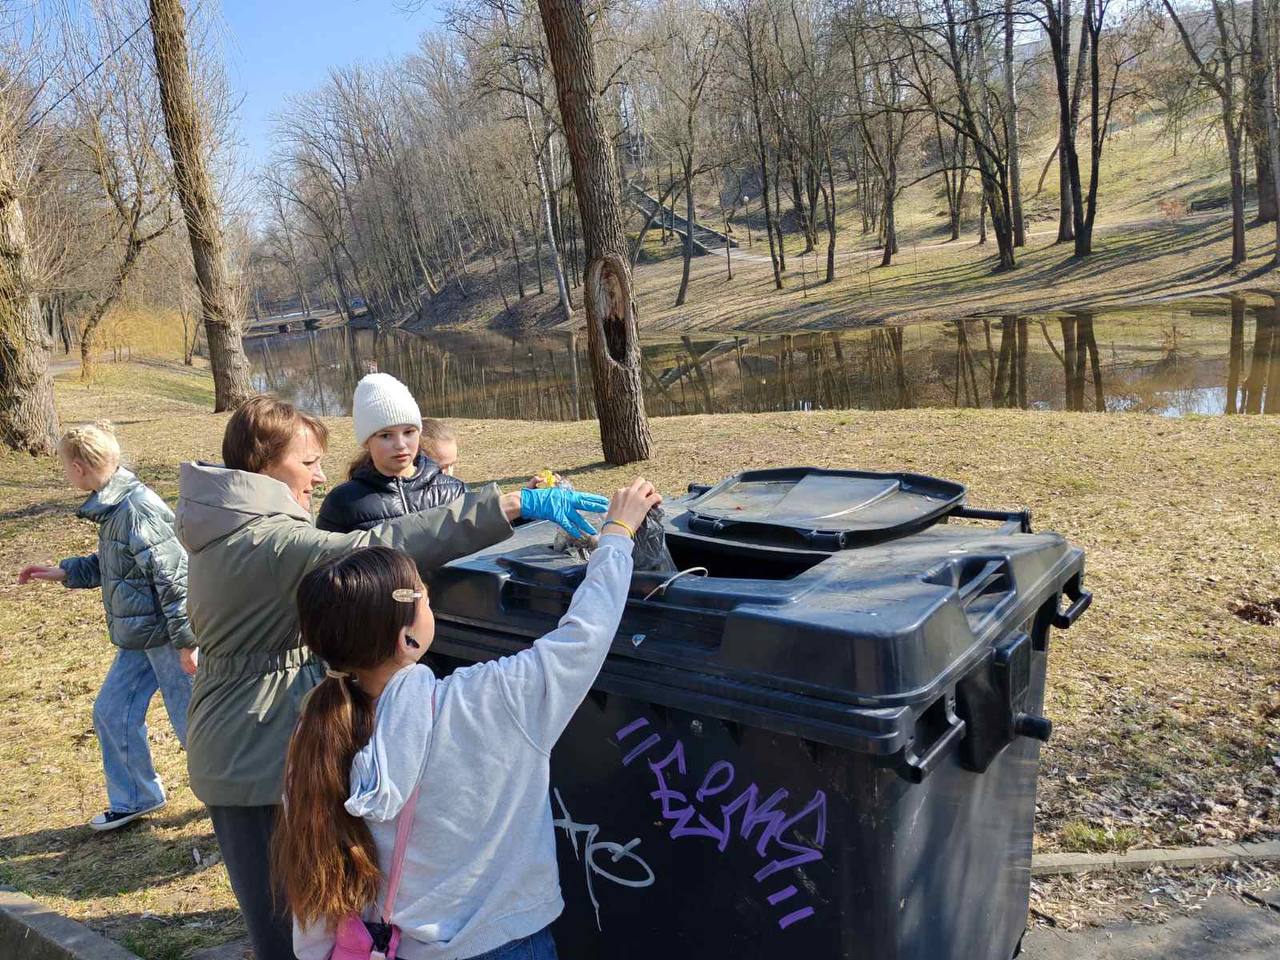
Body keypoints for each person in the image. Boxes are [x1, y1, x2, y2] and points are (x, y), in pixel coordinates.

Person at [175, 394, 610, 960]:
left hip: (247, 736)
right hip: (252, 749)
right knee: (291, 920)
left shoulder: (234, 523)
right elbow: (374, 549)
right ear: (263, 466)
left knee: (309, 907)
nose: (320, 476)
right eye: (308, 463)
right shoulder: (266, 539)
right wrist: (509, 504)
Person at [276, 478, 661, 960]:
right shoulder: (489, 699)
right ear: (406, 638)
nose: (429, 599)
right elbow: (585, 636)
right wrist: (617, 536)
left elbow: (314, 881)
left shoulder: (316, 732)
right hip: (505, 944)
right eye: (423, 595)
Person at [17, 423, 195, 831]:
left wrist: (187, 641)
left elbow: (175, 577)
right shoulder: (114, 509)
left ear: (78, 468)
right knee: (112, 712)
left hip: (168, 639)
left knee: (194, 725)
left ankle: (240, 800)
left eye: (65, 467)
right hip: (139, 638)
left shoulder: (137, 509)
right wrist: (64, 571)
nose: (66, 474)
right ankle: (137, 796)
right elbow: (117, 565)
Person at [317, 373, 465, 534]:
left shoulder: (453, 491)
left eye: (408, 432)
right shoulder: (341, 503)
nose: (400, 444)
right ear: (366, 441)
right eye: (386, 435)